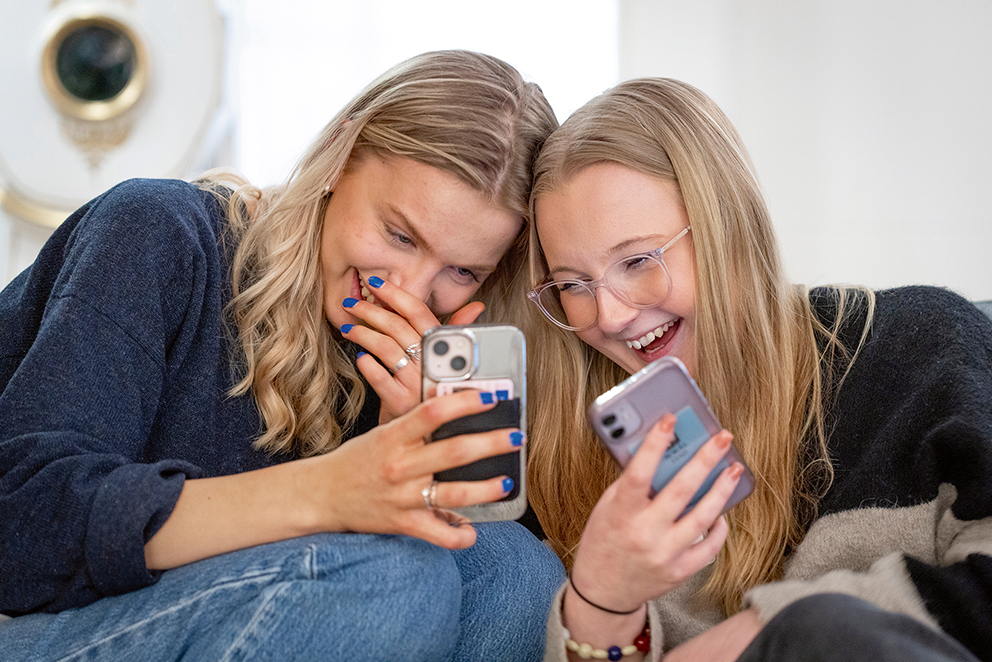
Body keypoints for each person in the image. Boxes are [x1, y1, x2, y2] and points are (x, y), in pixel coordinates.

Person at [0, 50, 565, 661]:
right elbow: (24, 529)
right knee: (391, 581)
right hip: (40, 620)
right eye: (400, 235)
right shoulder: (160, 231)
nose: (410, 289)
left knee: (516, 573)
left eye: (463, 271)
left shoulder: (420, 350)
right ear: (341, 158)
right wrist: (332, 490)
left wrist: (416, 457)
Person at [521, 77, 992, 661]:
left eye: (638, 260)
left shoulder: (919, 347)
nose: (610, 316)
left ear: (728, 228)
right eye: (573, 285)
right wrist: (602, 602)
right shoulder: (570, 449)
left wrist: (765, 632)